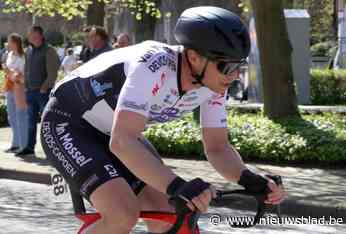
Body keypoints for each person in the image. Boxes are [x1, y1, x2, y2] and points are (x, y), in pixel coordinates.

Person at [40, 6, 286, 234]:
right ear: (194, 57)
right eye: (226, 67)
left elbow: (217, 147)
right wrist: (177, 185)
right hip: (69, 124)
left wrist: (247, 177)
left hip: (114, 132)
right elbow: (123, 142)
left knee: (169, 214)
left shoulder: (213, 85)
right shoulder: (154, 66)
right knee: (122, 214)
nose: (233, 76)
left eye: (238, 66)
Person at [16, 26, 60, 157]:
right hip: (30, 91)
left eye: (34, 35)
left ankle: (53, 151)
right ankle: (29, 148)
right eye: (30, 36)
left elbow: (53, 73)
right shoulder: (28, 51)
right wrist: (25, 86)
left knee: (47, 124)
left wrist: (44, 88)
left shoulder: (49, 50)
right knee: (31, 122)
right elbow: (26, 70)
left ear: (41, 36)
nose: (31, 38)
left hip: (43, 93)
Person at [2, 34, 27, 153]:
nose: (7, 44)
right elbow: (8, 71)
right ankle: (15, 143)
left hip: (19, 88)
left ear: (15, 43)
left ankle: (23, 145)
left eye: (9, 41)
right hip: (9, 86)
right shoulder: (9, 55)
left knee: (20, 116)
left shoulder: (23, 57)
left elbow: (21, 74)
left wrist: (11, 72)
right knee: (11, 116)